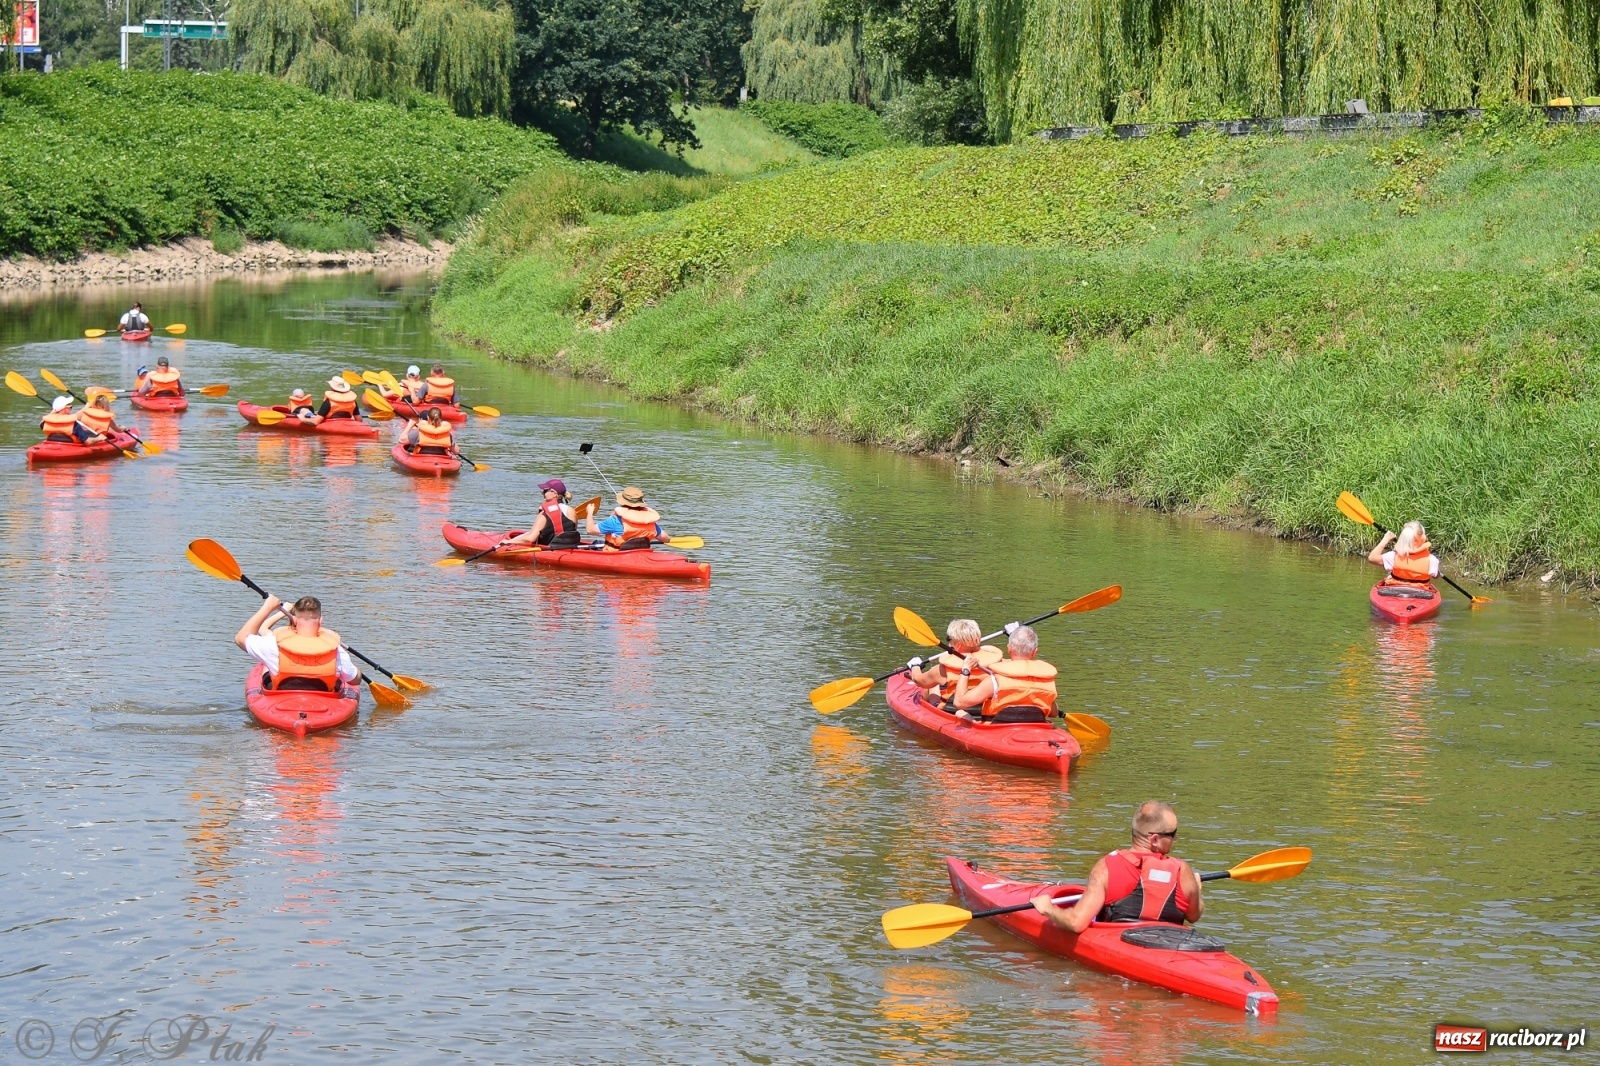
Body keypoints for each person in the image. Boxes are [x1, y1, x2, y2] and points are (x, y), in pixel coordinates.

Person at [1030, 801, 1204, 933]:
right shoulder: (1182, 871)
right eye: (1172, 834)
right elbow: (1194, 916)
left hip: (1122, 947)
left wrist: (1048, 909)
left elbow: (1076, 922)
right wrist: (1196, 890)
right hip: (1171, 947)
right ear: (1155, 839)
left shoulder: (1107, 867)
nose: (1175, 839)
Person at [233, 594, 360, 693]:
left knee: (266, 665)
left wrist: (267, 608)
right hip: (321, 699)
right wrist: (358, 671)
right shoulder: (337, 651)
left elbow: (240, 638)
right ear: (320, 621)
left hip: (282, 698)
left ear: (294, 620)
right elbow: (354, 681)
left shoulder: (273, 646)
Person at [951, 624, 1058, 724]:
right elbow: (1054, 713)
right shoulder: (1046, 680)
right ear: (1035, 652)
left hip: (997, 730)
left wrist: (966, 670)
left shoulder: (995, 680)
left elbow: (959, 703)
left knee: (960, 713)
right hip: (1033, 729)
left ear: (1009, 649)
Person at [906, 619, 1002, 710]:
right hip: (983, 711)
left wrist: (915, 666)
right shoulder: (997, 663)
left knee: (932, 685)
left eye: (949, 639)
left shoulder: (942, 670)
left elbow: (919, 681)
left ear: (957, 645)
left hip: (952, 713)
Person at [499, 478, 582, 551]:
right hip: (569, 548)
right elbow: (571, 533)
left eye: (545, 491)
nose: (542, 493)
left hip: (550, 550)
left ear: (554, 493)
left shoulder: (544, 514)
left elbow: (531, 538)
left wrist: (508, 542)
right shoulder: (572, 511)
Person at [587, 486, 668, 550]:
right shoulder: (649, 522)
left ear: (623, 502)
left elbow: (590, 530)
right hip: (639, 554)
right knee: (597, 542)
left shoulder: (615, 521)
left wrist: (590, 512)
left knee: (595, 543)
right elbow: (666, 539)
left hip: (617, 555)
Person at [1369, 521, 1439, 586]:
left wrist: (1386, 539)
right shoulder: (1431, 560)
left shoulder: (1393, 556)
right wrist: (1437, 572)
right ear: (1422, 538)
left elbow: (1372, 558)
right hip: (1420, 593)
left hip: (1395, 591)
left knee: (1390, 574)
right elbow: (1436, 576)